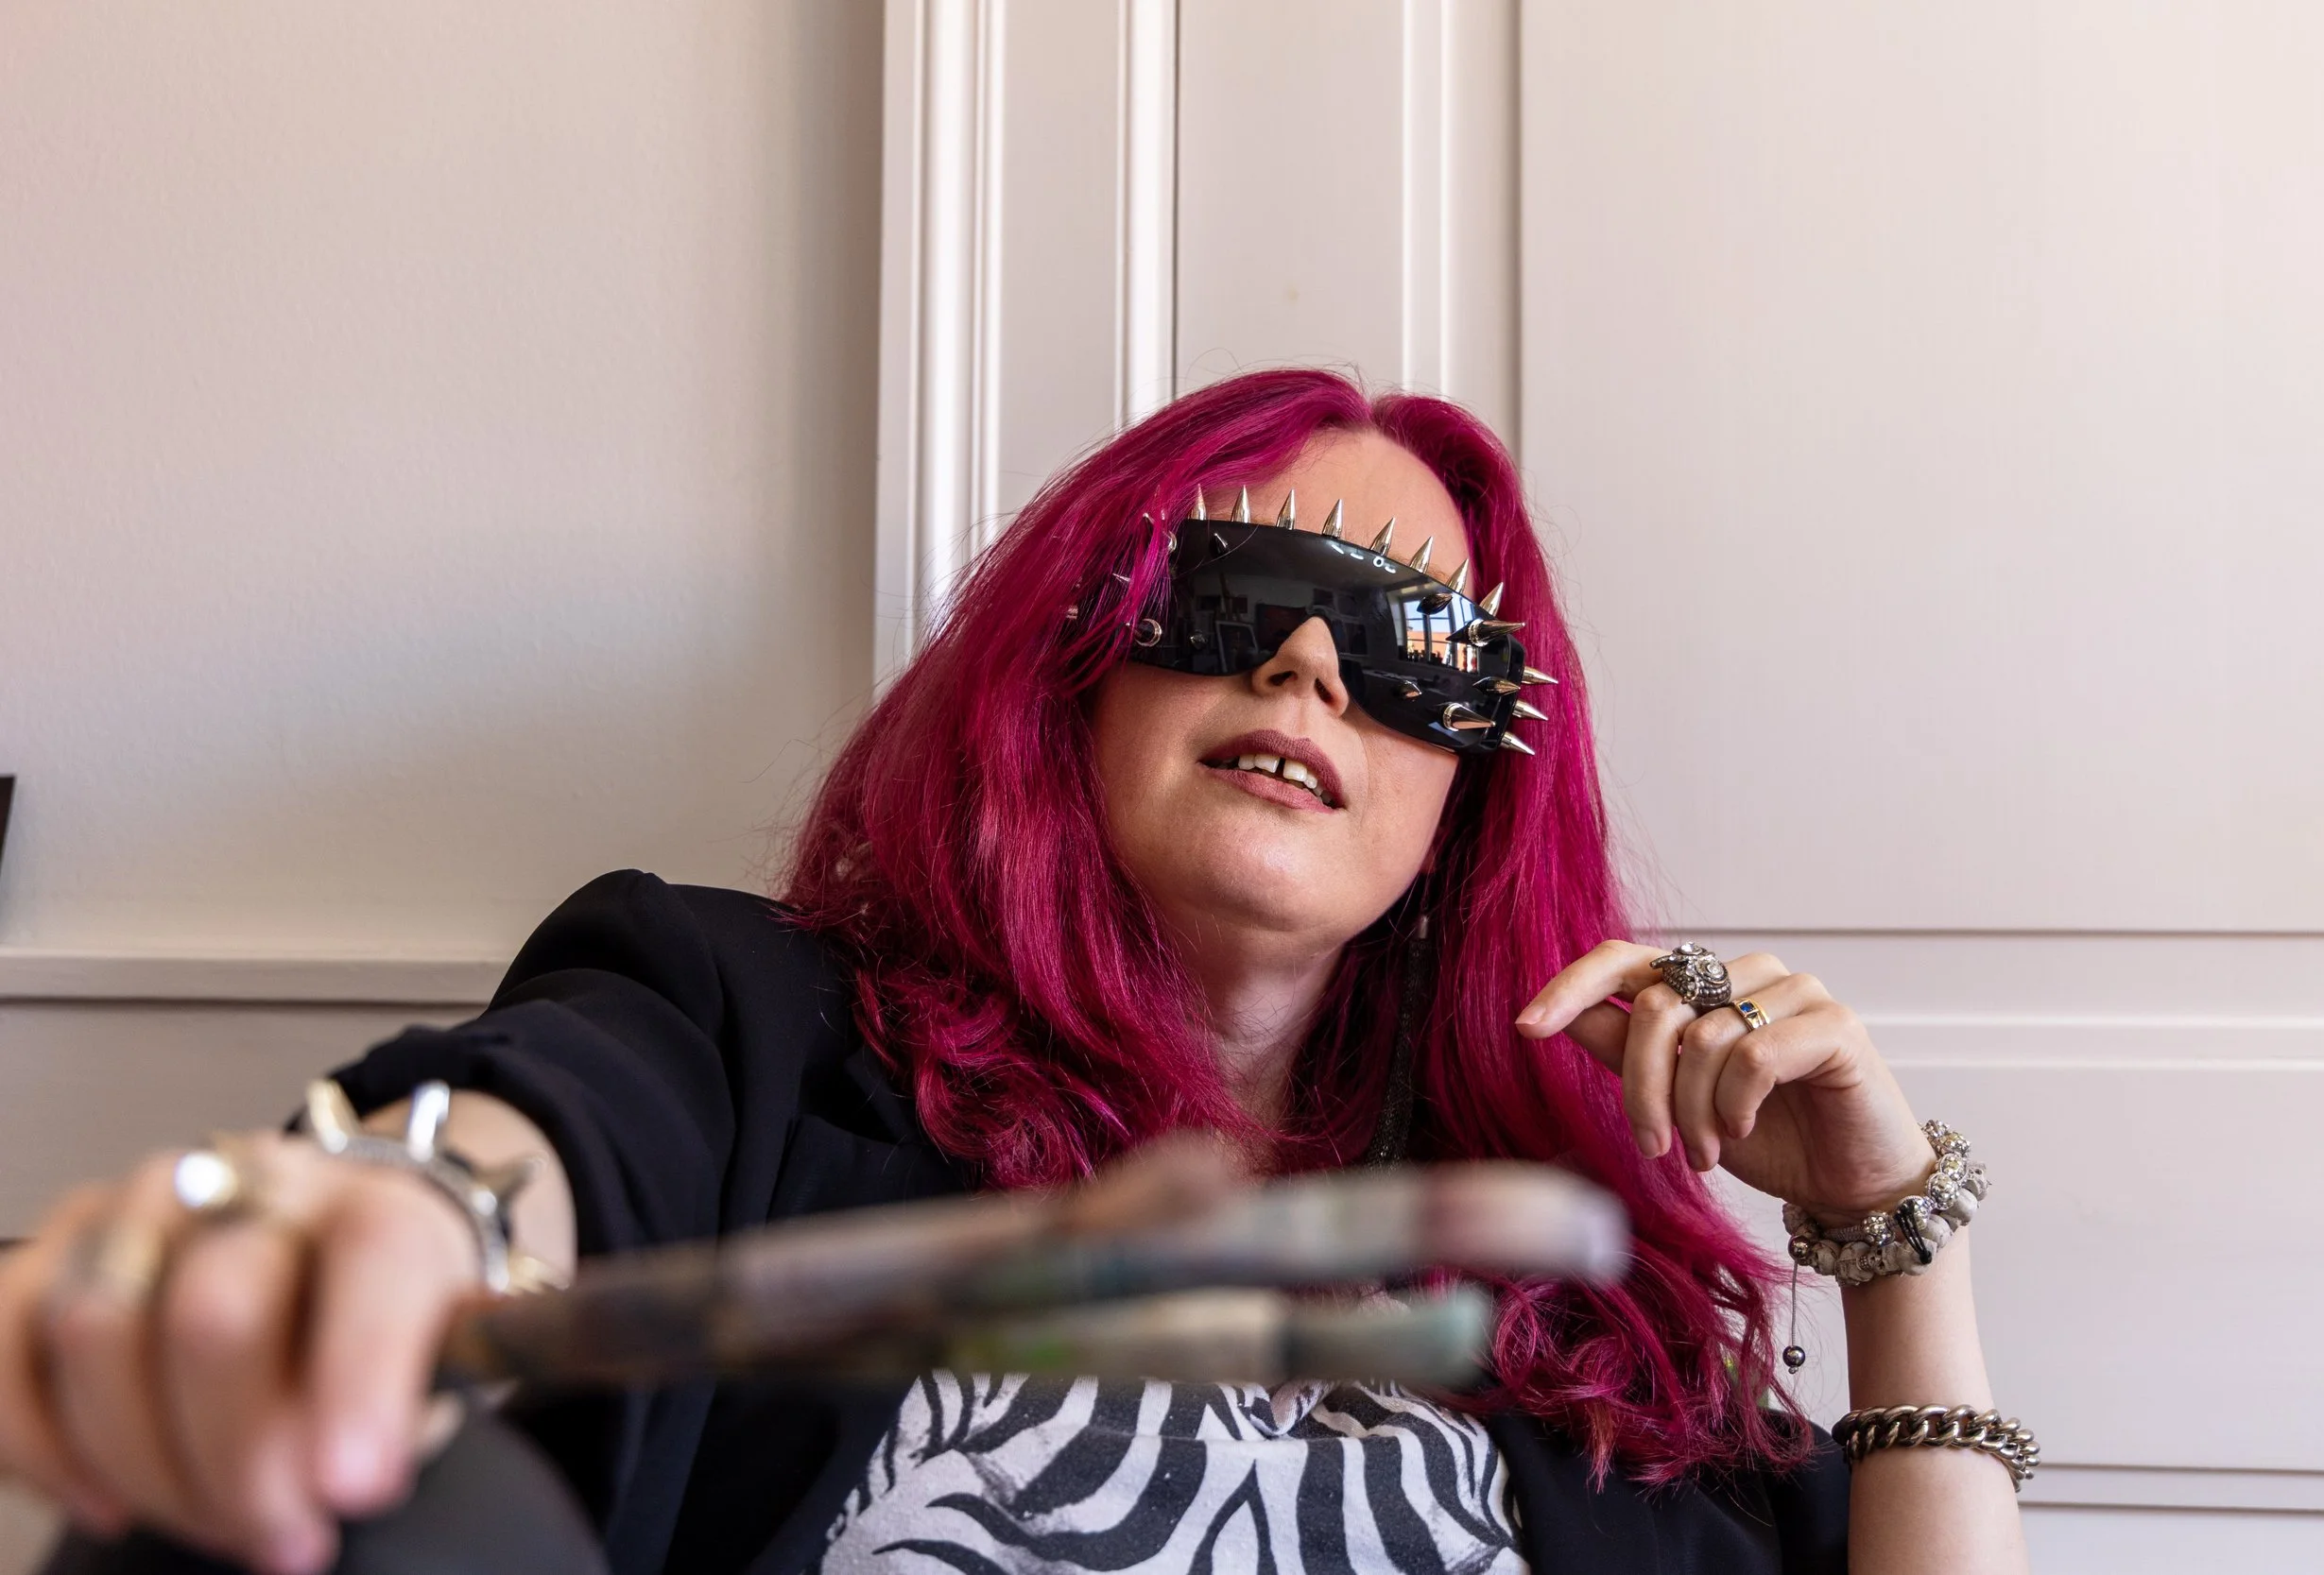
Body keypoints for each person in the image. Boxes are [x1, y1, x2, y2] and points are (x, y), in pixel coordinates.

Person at [0, 369, 2031, 1574]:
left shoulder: (1586, 1318)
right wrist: (383, 1228)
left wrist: (1886, 1238)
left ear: (1463, 799)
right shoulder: (754, 1031)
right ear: (1072, 669)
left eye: (1416, 653)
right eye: (1235, 592)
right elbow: (541, 1146)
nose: (1310, 666)